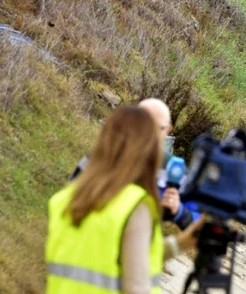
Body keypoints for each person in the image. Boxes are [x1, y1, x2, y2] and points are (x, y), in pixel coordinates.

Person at [39, 106, 205, 294]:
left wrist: (180, 243)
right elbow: (137, 292)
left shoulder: (64, 201)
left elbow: (108, 259)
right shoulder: (133, 206)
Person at [70, 98, 198, 230]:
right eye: (143, 125)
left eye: (157, 127)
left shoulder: (176, 171)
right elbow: (71, 195)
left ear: (168, 131)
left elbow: (199, 223)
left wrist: (179, 211)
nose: (149, 133)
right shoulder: (103, 156)